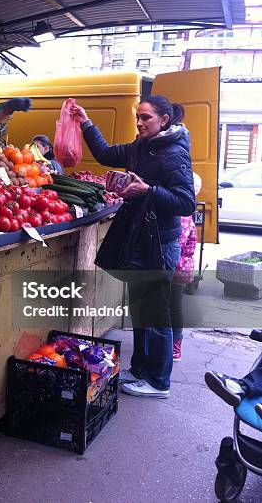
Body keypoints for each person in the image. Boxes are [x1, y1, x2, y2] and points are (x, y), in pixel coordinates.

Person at [70, 95, 195, 399]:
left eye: (146, 118)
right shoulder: (142, 147)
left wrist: (148, 190)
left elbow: (185, 201)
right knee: (142, 310)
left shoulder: (174, 153)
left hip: (159, 244)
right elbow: (104, 153)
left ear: (164, 120)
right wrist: (85, 121)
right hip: (143, 240)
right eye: (138, 117)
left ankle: (159, 381)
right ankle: (141, 371)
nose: (139, 123)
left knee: (154, 313)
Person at [171, 172, 201, 362]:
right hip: (180, 268)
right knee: (173, 306)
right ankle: (174, 344)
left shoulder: (181, 214)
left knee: (173, 307)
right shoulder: (186, 211)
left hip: (176, 268)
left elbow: (177, 242)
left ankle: (175, 346)